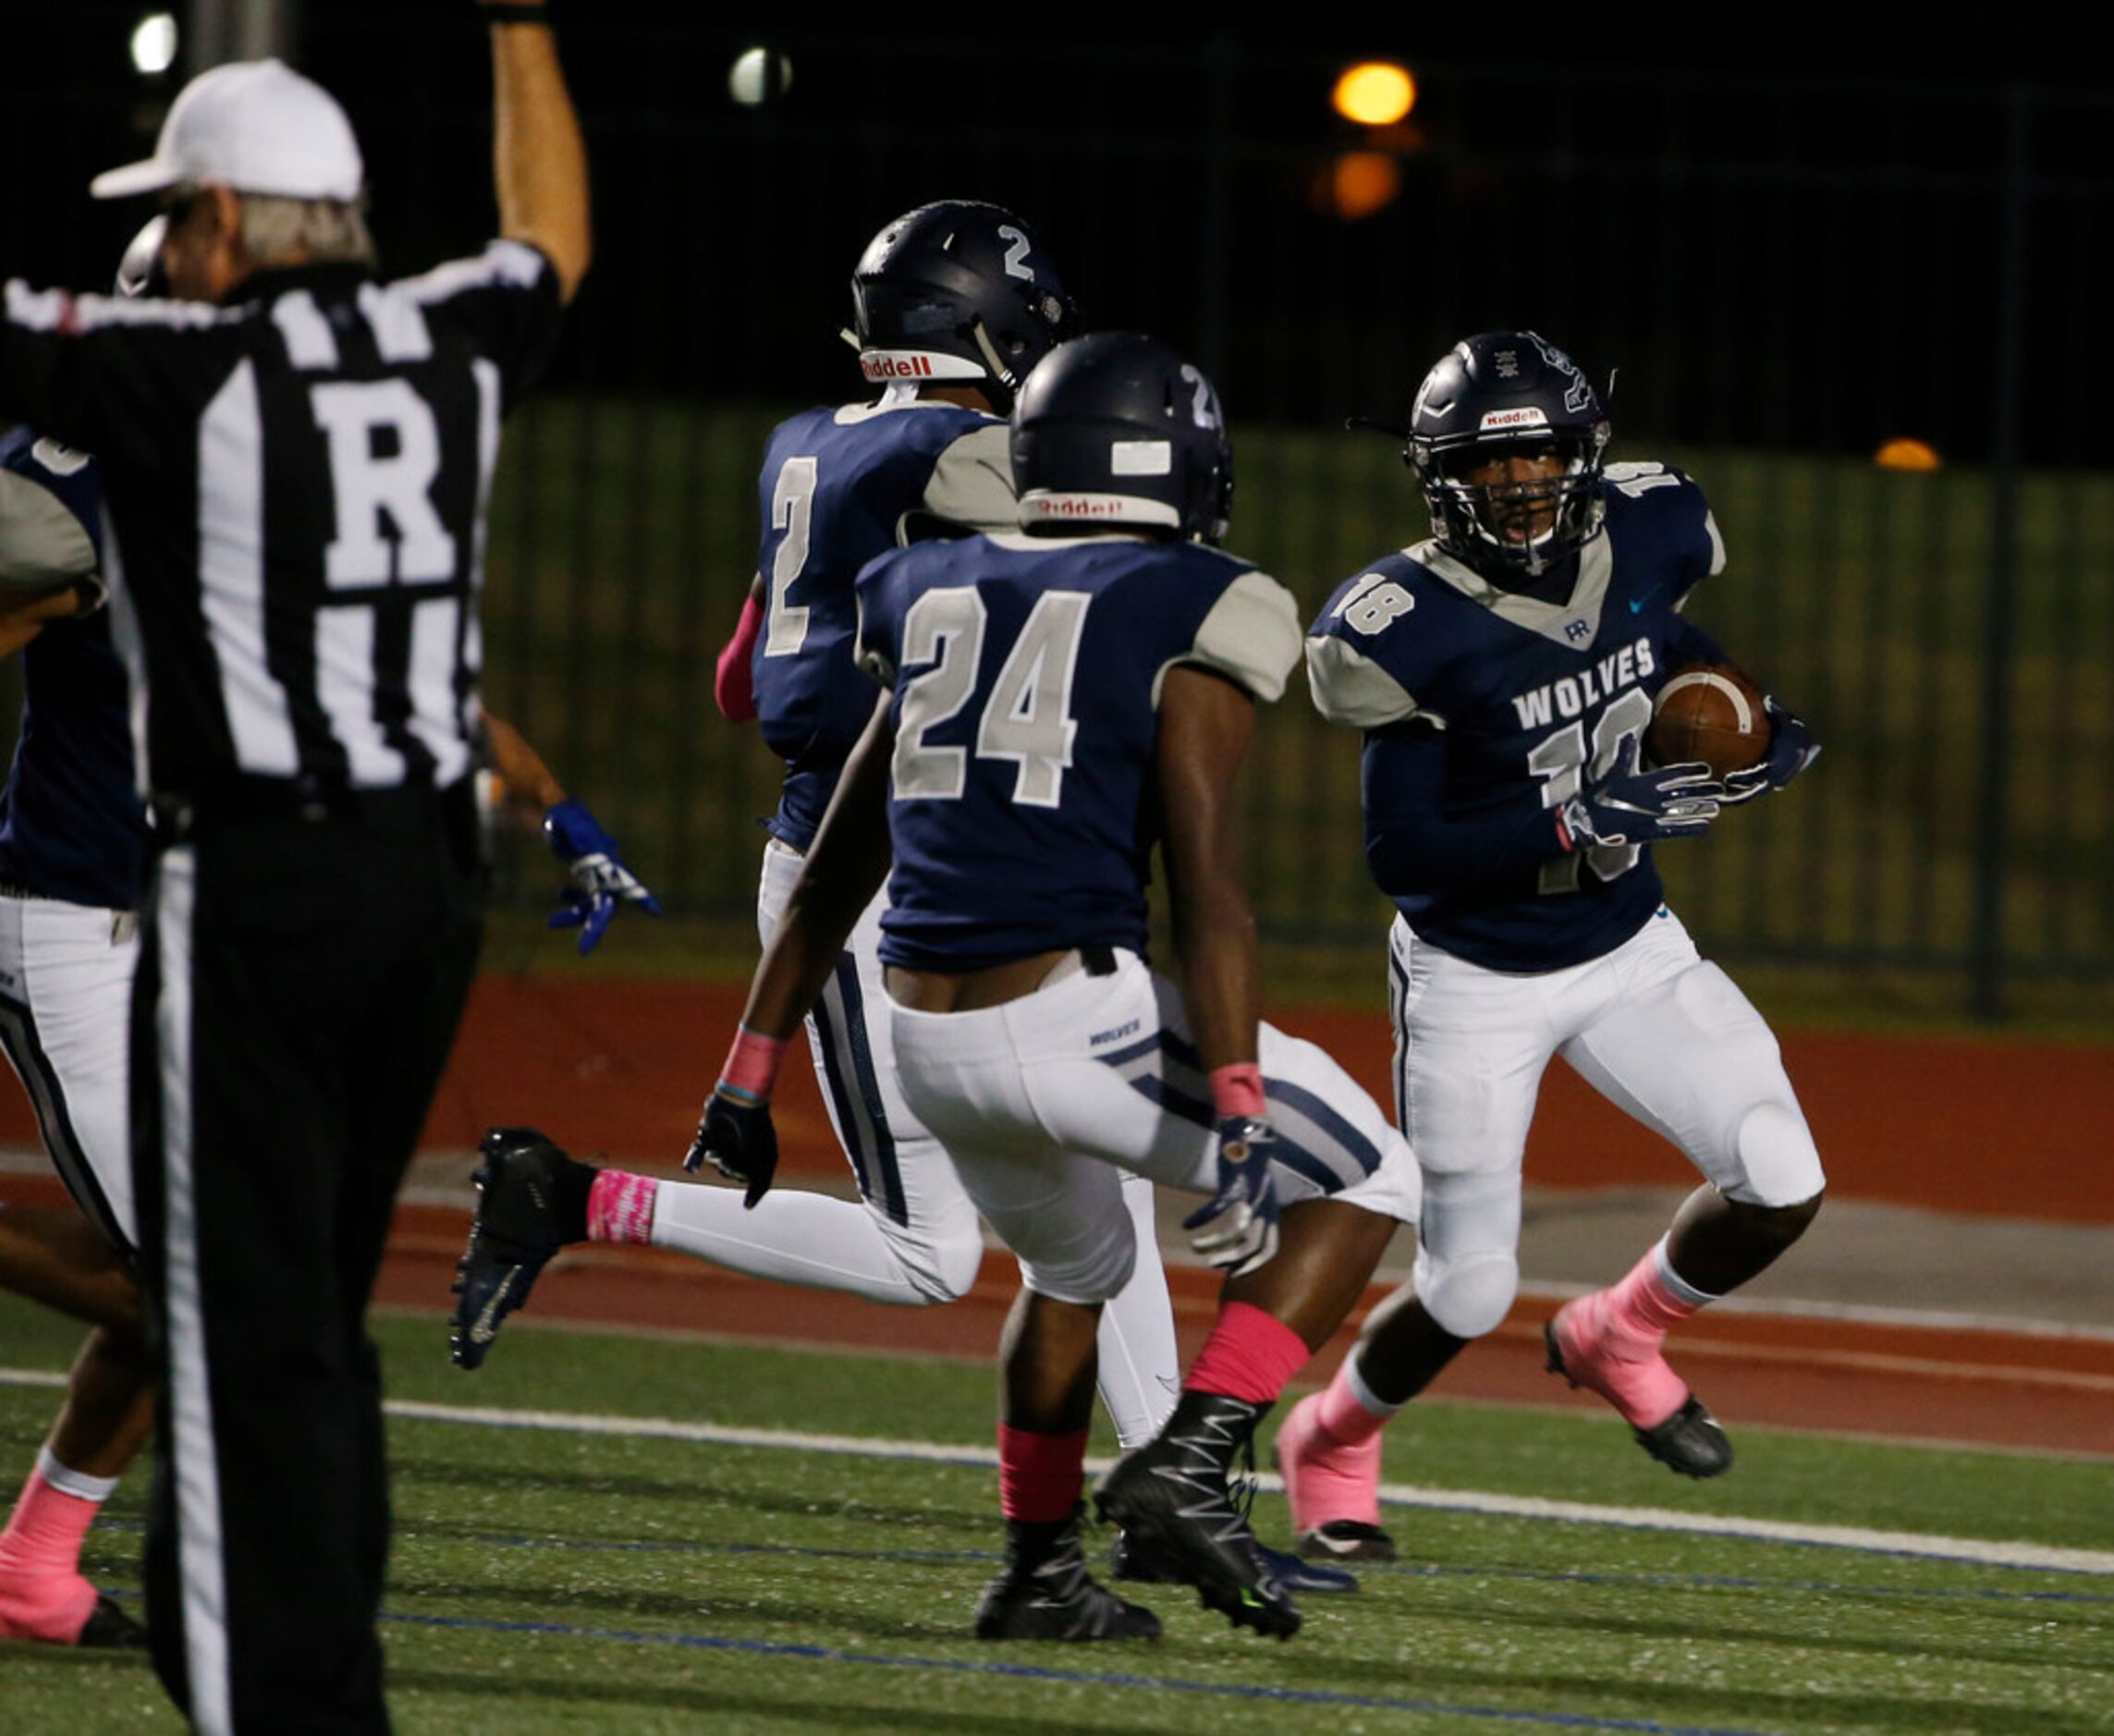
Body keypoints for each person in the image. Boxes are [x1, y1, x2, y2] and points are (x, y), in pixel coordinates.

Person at [446, 205, 1347, 1593]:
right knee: (944, 1252)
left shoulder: (806, 444)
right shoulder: (963, 453)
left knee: (1084, 1230)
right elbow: (1075, 565)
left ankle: (1168, 1491)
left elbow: (744, 682)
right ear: (987, 323)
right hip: (897, 882)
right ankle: (575, 1200)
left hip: (852, 852)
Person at [0, 8, 587, 1727]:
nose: (176, 248)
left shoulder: (180, 367)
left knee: (233, 1319)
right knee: (315, 1316)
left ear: (235, 221)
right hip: (424, 891)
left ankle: (268, 1680)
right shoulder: (445, 335)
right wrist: (520, 27)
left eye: (187, 217)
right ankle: (315, 1662)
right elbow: (552, 235)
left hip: (252, 881)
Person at [686, 331, 1422, 1640]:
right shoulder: (1197, 597)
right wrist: (1241, 1106)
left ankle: (1036, 1570)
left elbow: (836, 859)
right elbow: (1209, 888)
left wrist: (751, 1063)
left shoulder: (917, 581)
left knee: (1073, 1268)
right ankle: (1190, 1460)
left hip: (922, 1030)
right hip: (1071, 1011)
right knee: (1374, 1175)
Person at [1286, 330, 1825, 1562]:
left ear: (1588, 455)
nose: (1522, 484)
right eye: (1492, 463)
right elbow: (1405, 858)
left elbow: (1655, 639)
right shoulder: (1401, 623)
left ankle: (1620, 1331)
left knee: (1781, 1175)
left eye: (1541, 457)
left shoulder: (1651, 528)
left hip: (1629, 942)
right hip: (1476, 969)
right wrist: (1576, 816)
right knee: (1469, 1284)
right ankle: (1330, 1434)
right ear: (1440, 476)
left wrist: (1751, 717)